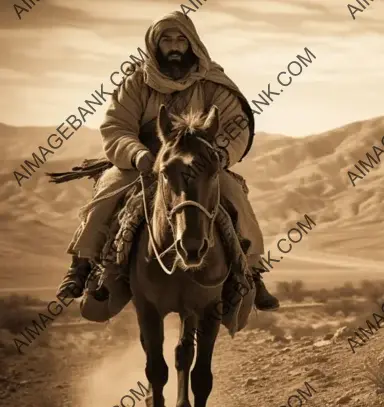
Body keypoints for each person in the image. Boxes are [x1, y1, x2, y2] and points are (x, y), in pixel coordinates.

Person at [56, 10, 280, 319]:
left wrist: (218, 157)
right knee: (106, 194)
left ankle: (251, 272)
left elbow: (236, 125)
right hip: (141, 161)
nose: (174, 47)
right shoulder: (136, 82)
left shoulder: (213, 82)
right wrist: (138, 155)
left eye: (181, 40)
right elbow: (116, 127)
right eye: (167, 40)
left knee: (234, 195)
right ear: (154, 45)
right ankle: (83, 265)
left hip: (200, 162)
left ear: (192, 44)